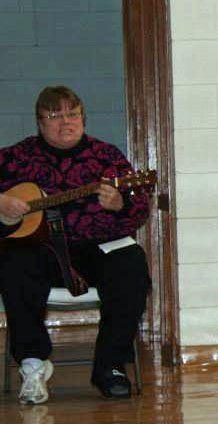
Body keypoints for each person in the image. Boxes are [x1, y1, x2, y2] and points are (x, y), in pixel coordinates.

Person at [0, 86, 151, 403]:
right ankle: (32, 365)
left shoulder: (107, 157)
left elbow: (140, 208)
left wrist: (119, 204)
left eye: (72, 114)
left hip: (94, 249)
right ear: (40, 122)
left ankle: (110, 367)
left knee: (131, 264)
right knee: (14, 263)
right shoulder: (16, 157)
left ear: (83, 117)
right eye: (54, 116)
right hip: (38, 249)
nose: (65, 122)